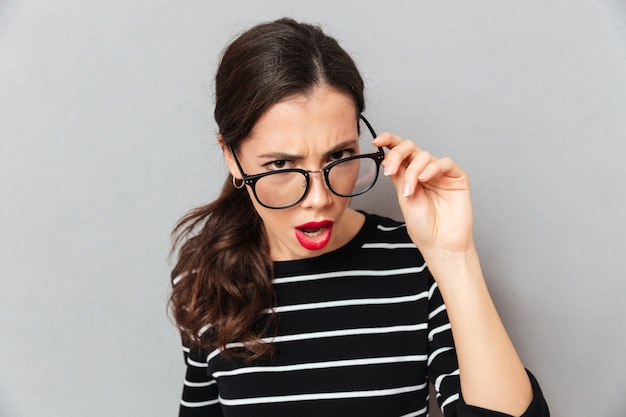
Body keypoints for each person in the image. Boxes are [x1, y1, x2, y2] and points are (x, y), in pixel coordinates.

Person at [169, 17, 550, 417]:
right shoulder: (203, 273)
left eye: (339, 156)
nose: (319, 199)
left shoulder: (416, 261)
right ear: (231, 155)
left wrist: (454, 258)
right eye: (282, 163)